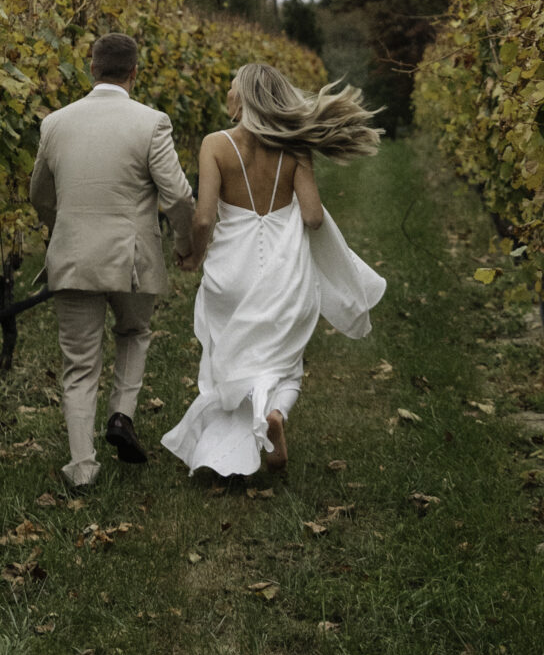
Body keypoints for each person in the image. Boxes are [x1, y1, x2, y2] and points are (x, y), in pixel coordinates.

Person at [160, 62, 384, 480]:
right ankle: (276, 411)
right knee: (284, 360)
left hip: (232, 270)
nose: (226, 93)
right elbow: (314, 218)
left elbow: (204, 218)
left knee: (229, 353)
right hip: (284, 269)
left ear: (243, 97)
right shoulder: (296, 148)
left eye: (231, 86)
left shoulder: (215, 144)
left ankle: (236, 434)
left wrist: (192, 254)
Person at [30, 32, 195, 491]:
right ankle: (121, 415)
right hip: (132, 259)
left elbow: (39, 193)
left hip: (73, 256)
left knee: (79, 363)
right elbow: (178, 194)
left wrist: (59, 227)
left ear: (91, 68)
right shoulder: (150, 122)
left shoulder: (55, 123)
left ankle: (82, 466)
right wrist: (184, 241)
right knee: (134, 332)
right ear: (134, 73)